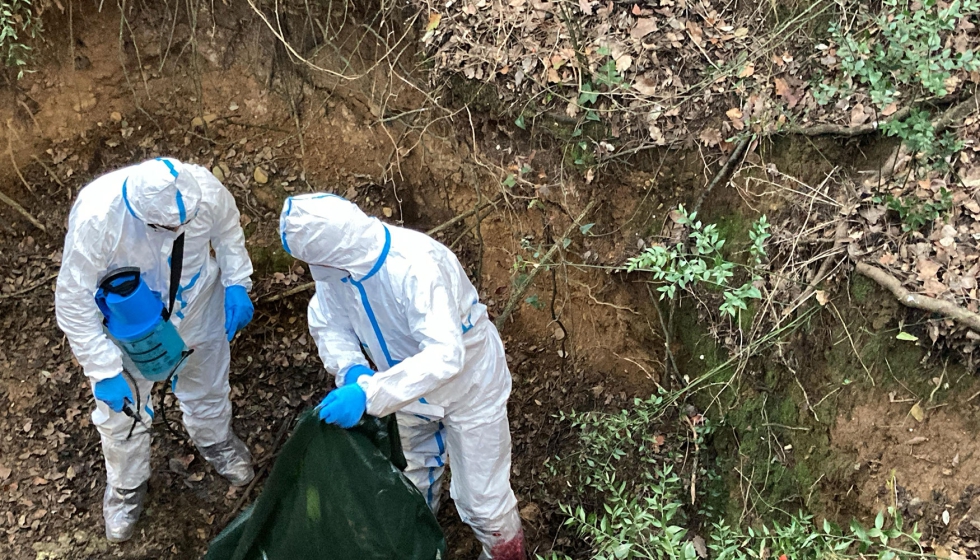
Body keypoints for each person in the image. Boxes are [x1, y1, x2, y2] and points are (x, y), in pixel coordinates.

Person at [279, 193, 526, 560]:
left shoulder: (415, 266)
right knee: (408, 480)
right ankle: (420, 542)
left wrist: (371, 394)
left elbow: (445, 356)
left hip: (469, 387)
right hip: (403, 392)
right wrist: (352, 369)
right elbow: (328, 320)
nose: (313, 271)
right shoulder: (339, 270)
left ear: (333, 250)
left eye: (312, 261)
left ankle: (505, 552)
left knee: (483, 500)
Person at [55, 157, 255, 543]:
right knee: (124, 412)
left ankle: (215, 440)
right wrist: (104, 369)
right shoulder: (99, 217)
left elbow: (228, 232)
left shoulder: (203, 189)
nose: (179, 230)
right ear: (145, 216)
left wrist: (237, 282)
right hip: (132, 322)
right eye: (169, 228)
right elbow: (72, 301)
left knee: (208, 380)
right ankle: (127, 487)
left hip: (197, 301)